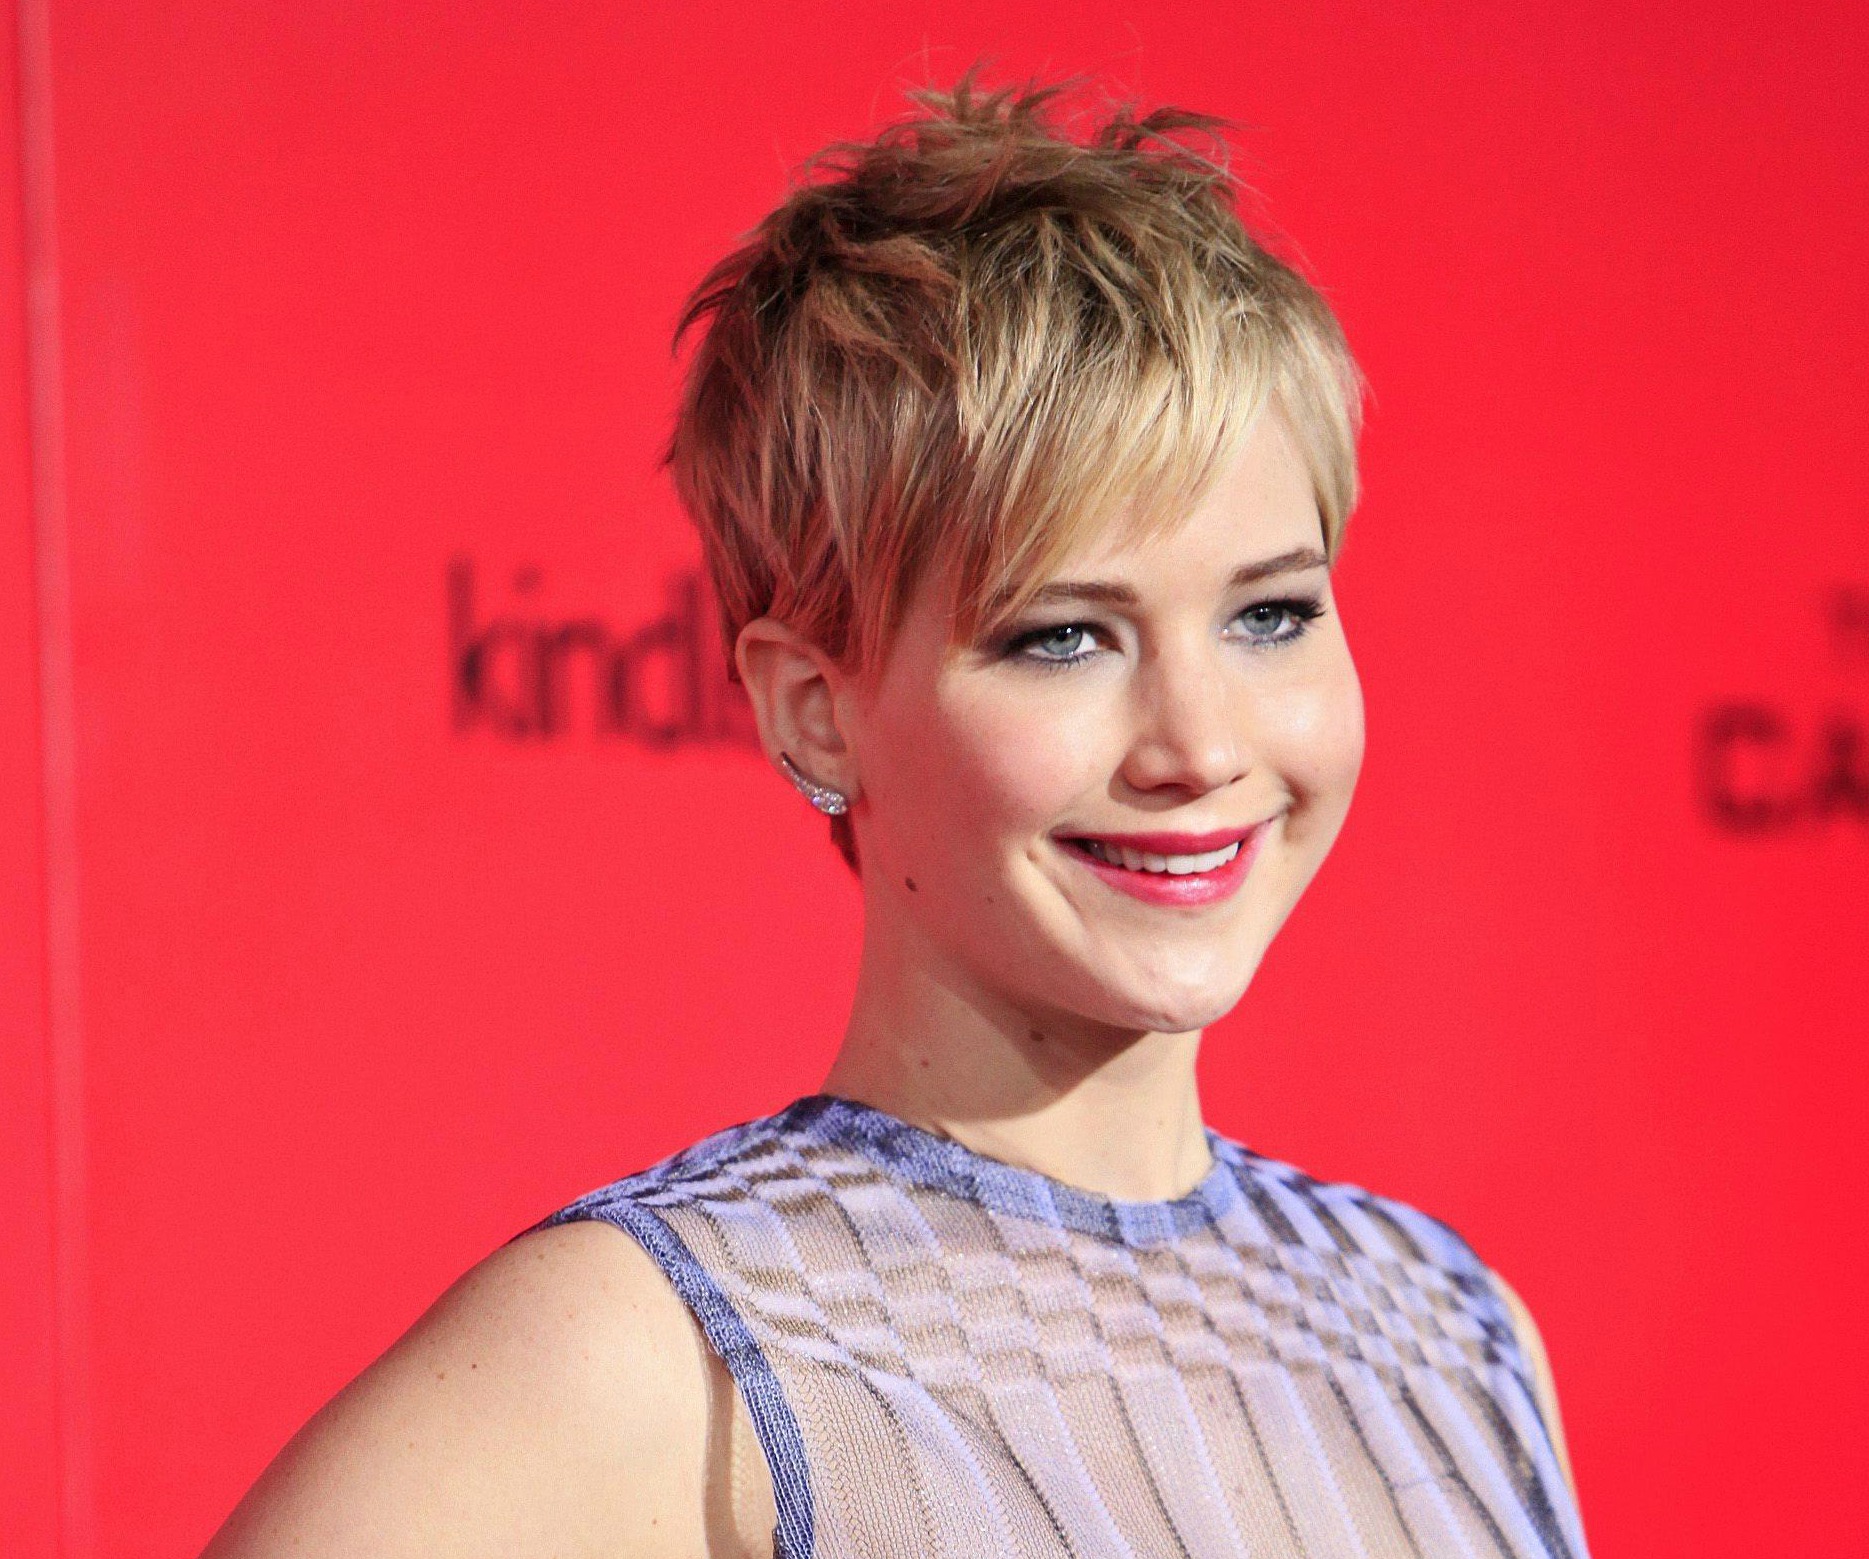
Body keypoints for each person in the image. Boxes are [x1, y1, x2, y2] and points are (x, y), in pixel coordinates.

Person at [203, 74, 1586, 1559]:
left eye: (1270, 614)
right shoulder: (657, 1359)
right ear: (815, 707)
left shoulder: (1446, 1334)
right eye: (1064, 637)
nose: (1198, 745)